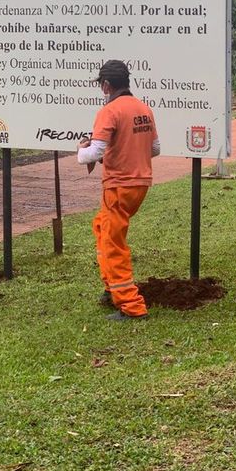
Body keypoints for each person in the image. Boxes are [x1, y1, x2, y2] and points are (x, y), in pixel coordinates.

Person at [77, 59, 160, 321]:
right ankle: (110, 287)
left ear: (106, 85)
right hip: (140, 184)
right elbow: (155, 149)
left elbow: (95, 152)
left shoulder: (110, 111)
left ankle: (131, 306)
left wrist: (82, 150)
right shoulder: (143, 109)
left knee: (113, 244)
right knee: (102, 227)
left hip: (118, 186)